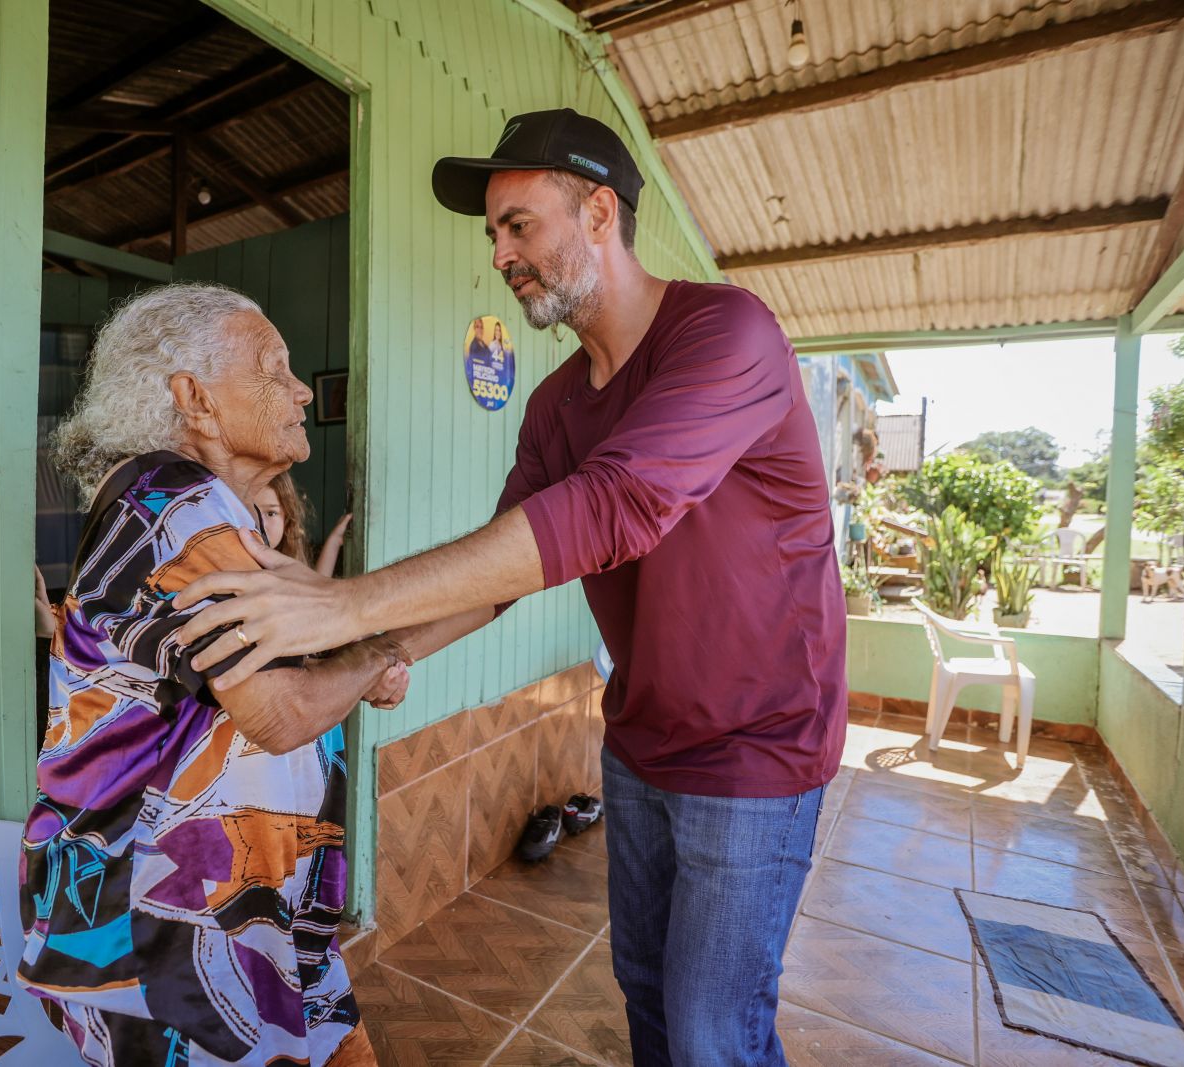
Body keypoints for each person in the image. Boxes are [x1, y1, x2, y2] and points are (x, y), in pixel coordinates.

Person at [171, 109, 847, 1066]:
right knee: (648, 996)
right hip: (643, 737)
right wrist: (379, 652)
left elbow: (615, 507)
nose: (499, 254)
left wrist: (346, 603)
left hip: (759, 746)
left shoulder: (727, 332)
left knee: (712, 1033)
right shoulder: (556, 404)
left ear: (599, 213)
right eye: (493, 232)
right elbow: (497, 581)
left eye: (518, 225)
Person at [17, 283, 408, 1067]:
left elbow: (262, 682)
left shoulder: (205, 510)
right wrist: (373, 655)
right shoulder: (174, 503)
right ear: (193, 399)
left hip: (246, 918)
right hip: (172, 947)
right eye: (274, 366)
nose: (300, 390)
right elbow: (278, 711)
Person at [256, 472, 353, 577]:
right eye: (248, 513)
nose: (260, 525)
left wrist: (334, 540)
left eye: (271, 513)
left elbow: (315, 585)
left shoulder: (288, 565)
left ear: (287, 518)